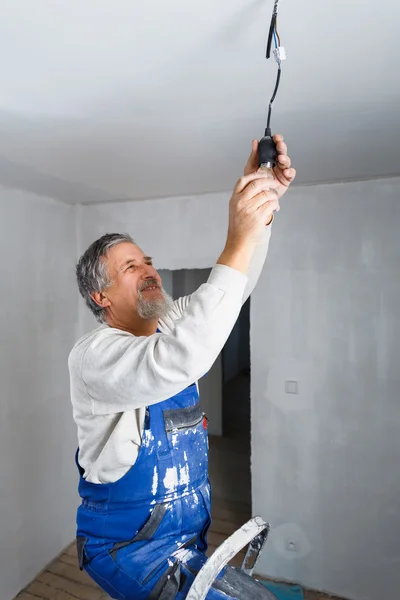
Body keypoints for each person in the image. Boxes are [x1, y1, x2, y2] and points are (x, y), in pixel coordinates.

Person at [69, 136, 295, 599]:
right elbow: (181, 358)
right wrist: (236, 234)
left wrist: (260, 206)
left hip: (188, 543)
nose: (150, 269)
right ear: (101, 296)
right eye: (132, 266)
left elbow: (233, 288)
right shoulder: (94, 356)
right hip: (127, 550)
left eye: (148, 260)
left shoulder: (167, 326)